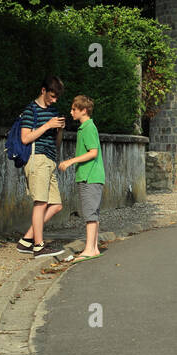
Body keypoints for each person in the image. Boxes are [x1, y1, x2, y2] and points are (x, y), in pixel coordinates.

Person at [16, 75, 66, 257]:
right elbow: (25, 138)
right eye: (52, 96)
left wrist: (59, 129)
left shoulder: (54, 112)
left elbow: (57, 142)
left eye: (56, 97)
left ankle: (26, 240)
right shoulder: (31, 110)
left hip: (49, 159)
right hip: (36, 159)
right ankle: (38, 246)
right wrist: (47, 125)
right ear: (43, 90)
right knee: (41, 203)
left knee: (56, 205)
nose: (54, 100)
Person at [58, 95, 104, 261]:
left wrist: (70, 161)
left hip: (89, 176)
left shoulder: (88, 128)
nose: (71, 112)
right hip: (91, 176)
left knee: (89, 214)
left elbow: (93, 152)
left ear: (83, 110)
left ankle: (89, 249)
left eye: (74, 109)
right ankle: (94, 247)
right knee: (93, 213)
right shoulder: (85, 127)